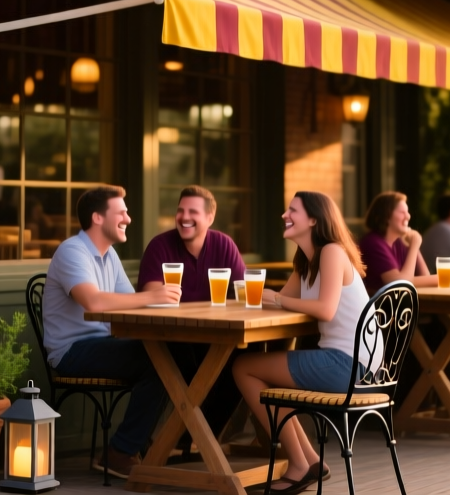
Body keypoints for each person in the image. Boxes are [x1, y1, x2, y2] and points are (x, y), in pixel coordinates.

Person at [231, 192, 380, 495]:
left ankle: (299, 462)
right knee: (265, 377)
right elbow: (283, 303)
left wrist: (277, 298)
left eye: (292, 210)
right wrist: (259, 297)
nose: (285, 215)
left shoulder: (332, 252)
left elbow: (324, 308)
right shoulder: (306, 260)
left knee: (244, 367)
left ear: (313, 219)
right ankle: (310, 460)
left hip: (351, 367)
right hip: (343, 361)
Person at [42, 186, 182, 477]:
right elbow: (93, 301)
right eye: (121, 212)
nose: (128, 219)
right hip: (72, 351)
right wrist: (152, 297)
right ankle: (121, 451)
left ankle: (158, 442)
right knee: (157, 360)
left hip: (105, 343)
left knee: (175, 350)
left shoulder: (110, 256)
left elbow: (129, 306)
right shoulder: (72, 251)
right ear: (97, 218)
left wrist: (167, 313)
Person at [136, 186, 246, 454]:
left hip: (215, 336)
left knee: (244, 362)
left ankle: (185, 438)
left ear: (210, 216)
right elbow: (149, 293)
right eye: (180, 210)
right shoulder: (160, 246)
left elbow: (243, 291)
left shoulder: (224, 245)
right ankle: (188, 440)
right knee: (186, 363)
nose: (184, 217)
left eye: (193, 212)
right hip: (170, 336)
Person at [359, 191, 436, 292]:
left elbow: (425, 276)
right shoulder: (373, 242)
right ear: (386, 217)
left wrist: (414, 246)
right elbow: (398, 284)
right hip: (377, 306)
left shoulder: (399, 242)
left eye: (407, 212)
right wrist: (414, 245)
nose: (408, 216)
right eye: (402, 212)